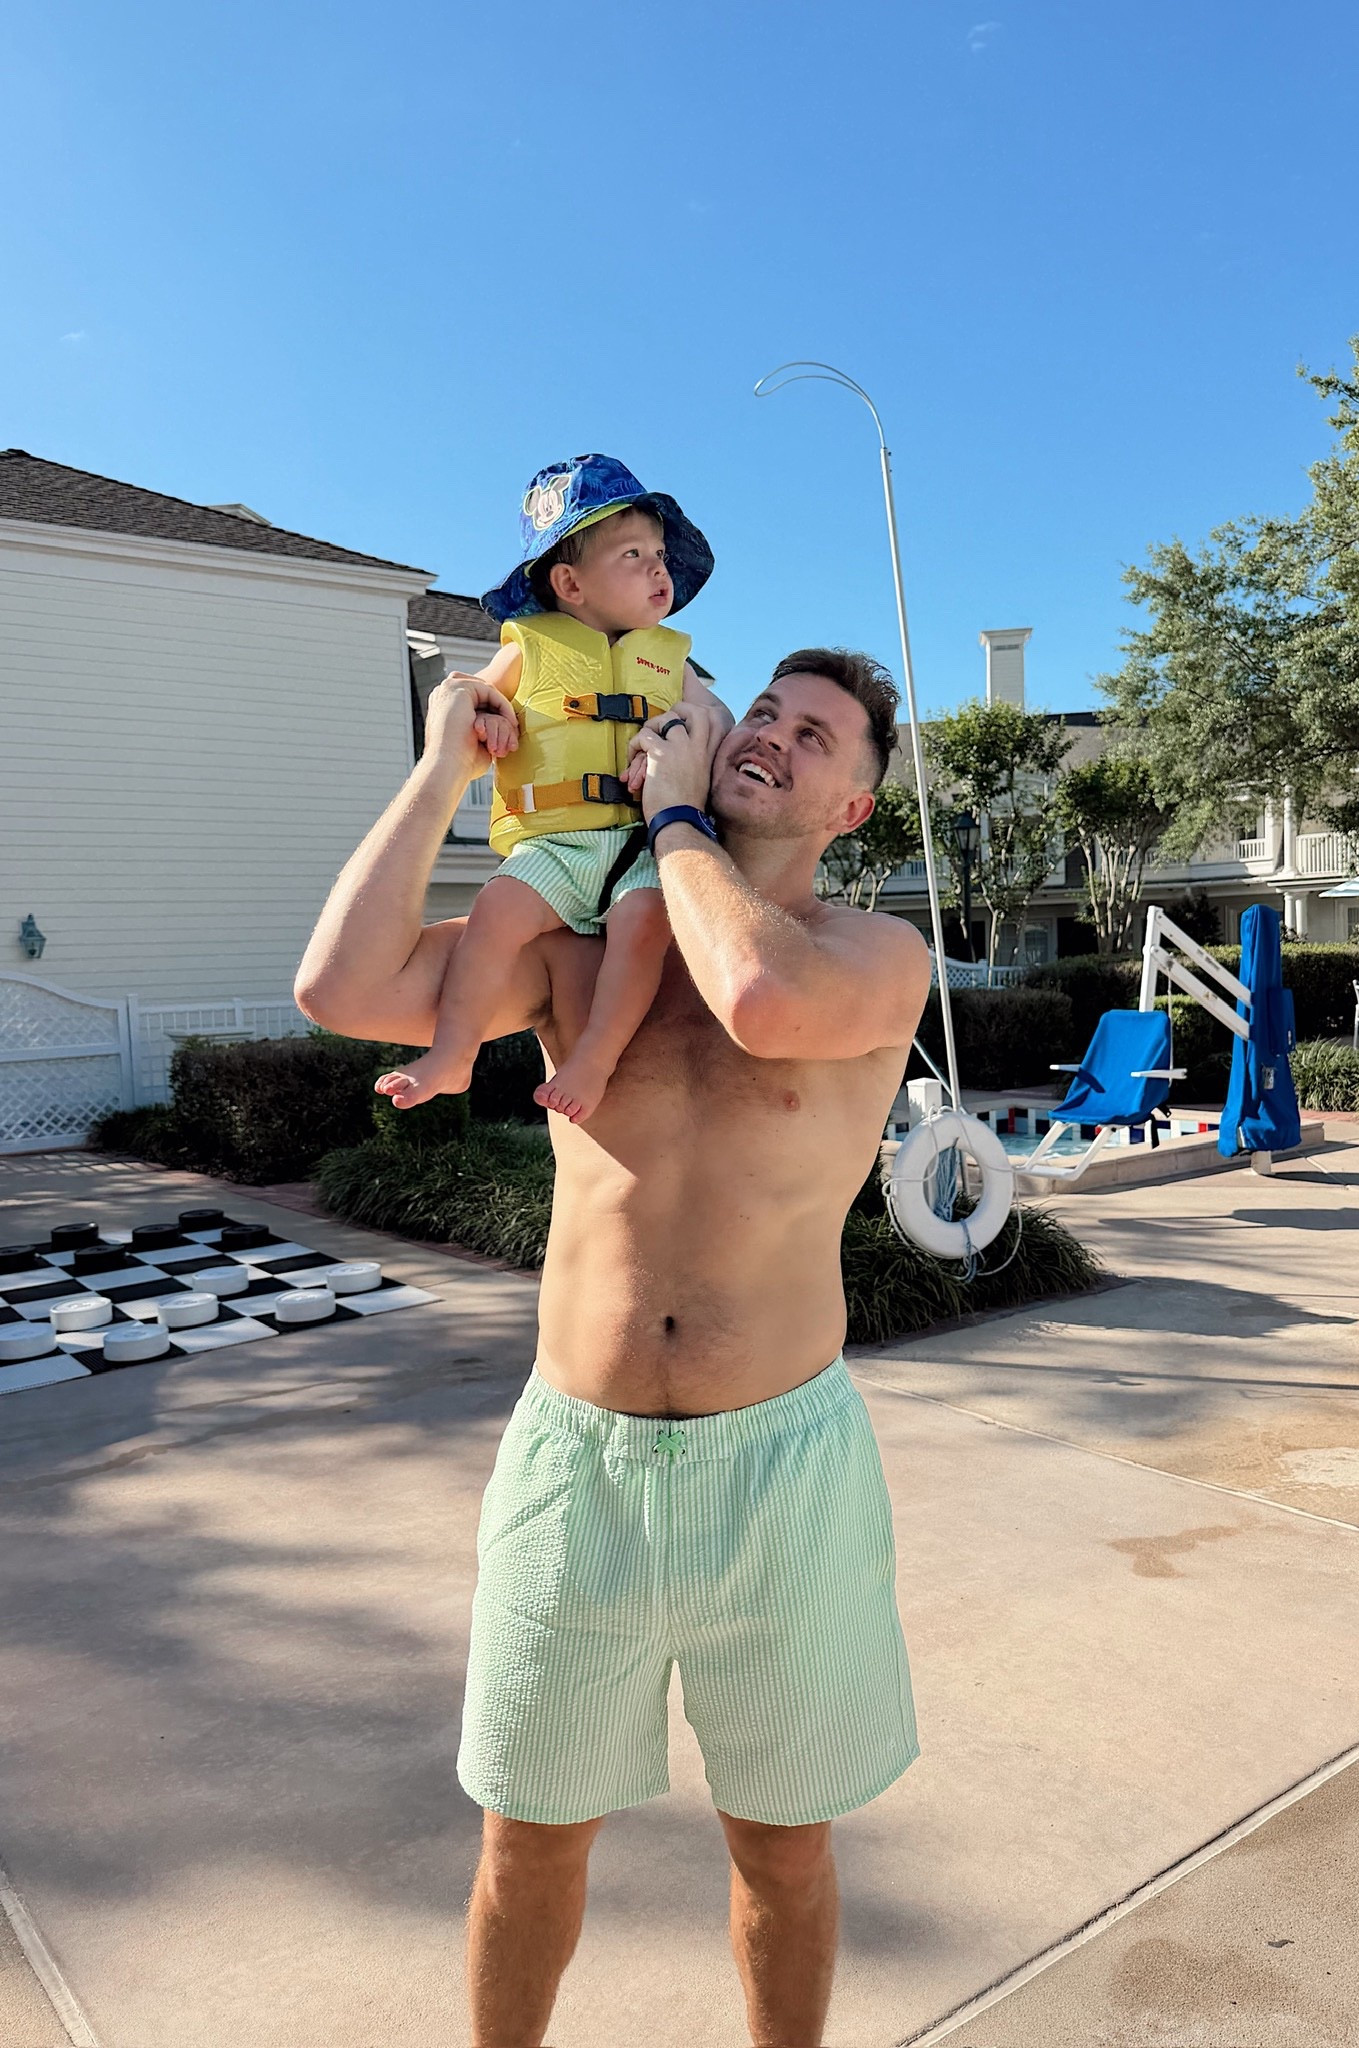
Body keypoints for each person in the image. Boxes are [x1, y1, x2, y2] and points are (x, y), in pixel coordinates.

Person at [295, 640, 933, 2048]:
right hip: (575, 1465)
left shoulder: (875, 959)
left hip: (786, 1477)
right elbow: (339, 988)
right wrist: (438, 775)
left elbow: (758, 999)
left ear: (853, 811)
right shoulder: (577, 955)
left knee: (783, 1851)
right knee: (529, 1843)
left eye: (816, 735)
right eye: (760, 709)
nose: (771, 731)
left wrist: (678, 820)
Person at [375, 453, 723, 1124]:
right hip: (555, 843)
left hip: (641, 843)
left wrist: (672, 734)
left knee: (643, 925)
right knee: (494, 916)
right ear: (570, 582)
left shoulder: (671, 658)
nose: (659, 567)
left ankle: (594, 1056)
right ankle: (453, 1053)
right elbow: (468, 695)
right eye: (633, 554)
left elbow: (717, 721)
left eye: (659, 553)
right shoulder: (529, 647)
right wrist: (491, 718)